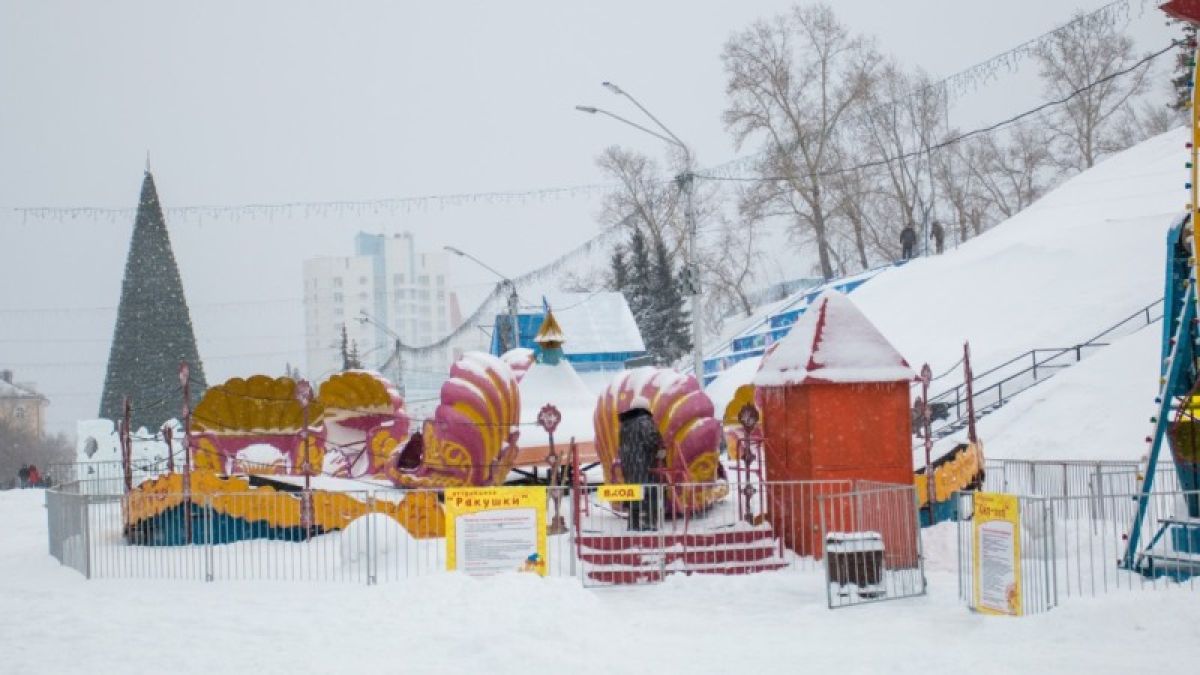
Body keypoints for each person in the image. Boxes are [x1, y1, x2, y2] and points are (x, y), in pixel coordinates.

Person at [617, 396, 664, 531]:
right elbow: (652, 440)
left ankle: (634, 524)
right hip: (644, 465)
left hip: (629, 467)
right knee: (650, 493)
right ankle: (648, 523)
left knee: (634, 494)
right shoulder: (644, 421)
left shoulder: (624, 425)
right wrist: (659, 448)